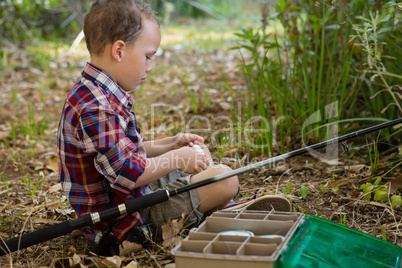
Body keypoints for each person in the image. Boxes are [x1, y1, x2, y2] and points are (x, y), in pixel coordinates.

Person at [57, 0, 239, 255]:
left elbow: (126, 154)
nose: (150, 67)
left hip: (130, 197)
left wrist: (172, 144)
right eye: (148, 56)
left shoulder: (95, 93)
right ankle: (207, 213)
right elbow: (128, 173)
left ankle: (215, 207)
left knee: (210, 167)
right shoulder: (95, 108)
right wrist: (176, 158)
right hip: (122, 221)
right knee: (225, 181)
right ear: (119, 51)